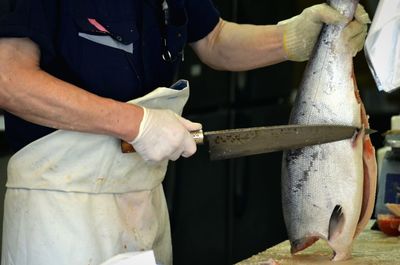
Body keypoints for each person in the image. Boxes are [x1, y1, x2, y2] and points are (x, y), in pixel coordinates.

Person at [0, 0, 370, 264]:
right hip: (62, 209)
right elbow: (9, 80)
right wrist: (136, 123)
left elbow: (214, 40)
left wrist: (291, 37)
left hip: (145, 201)